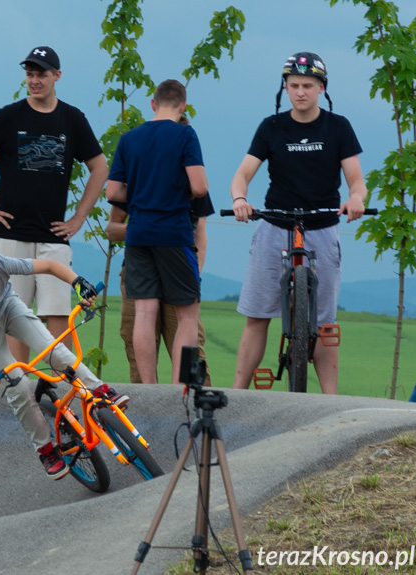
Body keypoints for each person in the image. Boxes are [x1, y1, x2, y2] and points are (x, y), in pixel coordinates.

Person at [0, 221, 128, 480]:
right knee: (18, 388)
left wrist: (77, 282)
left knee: (55, 350)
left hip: (9, 309)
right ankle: (46, 450)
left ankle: (100, 390)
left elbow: (50, 265)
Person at [0, 46, 108, 364]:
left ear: (57, 76)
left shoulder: (72, 118)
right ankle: (21, 390)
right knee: (15, 318)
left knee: (58, 319)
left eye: (42, 74)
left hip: (54, 236)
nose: (35, 80)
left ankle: (66, 393)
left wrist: (79, 217)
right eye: (30, 74)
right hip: (10, 235)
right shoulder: (10, 116)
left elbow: (100, 167)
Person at [230, 52, 368, 394]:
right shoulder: (271, 127)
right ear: (286, 88)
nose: (300, 92)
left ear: (321, 87)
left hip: (321, 225)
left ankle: (330, 400)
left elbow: (356, 181)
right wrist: (240, 200)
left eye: (308, 85)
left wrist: (356, 200)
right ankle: (237, 392)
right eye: (293, 86)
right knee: (257, 314)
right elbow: (243, 175)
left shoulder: (338, 126)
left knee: (324, 323)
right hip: (275, 223)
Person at [105, 80, 209, 385]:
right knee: (187, 314)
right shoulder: (185, 134)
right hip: (174, 234)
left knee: (144, 312)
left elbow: (112, 191)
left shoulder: (129, 138)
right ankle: (178, 390)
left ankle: (149, 389)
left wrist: (142, 194)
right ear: (183, 107)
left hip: (138, 235)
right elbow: (200, 186)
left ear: (153, 103)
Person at [107, 198, 213, 386]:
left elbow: (200, 233)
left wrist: (195, 276)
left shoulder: (190, 174)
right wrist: (148, 228)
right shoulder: (135, 172)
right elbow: (112, 229)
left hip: (180, 271)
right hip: (140, 271)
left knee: (192, 358)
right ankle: (147, 409)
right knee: (138, 362)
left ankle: (195, 410)